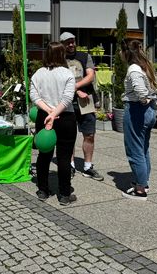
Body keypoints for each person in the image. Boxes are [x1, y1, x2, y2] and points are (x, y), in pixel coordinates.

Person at [30, 41, 77, 205]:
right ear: (62, 55)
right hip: (65, 117)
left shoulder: (38, 73)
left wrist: (49, 112)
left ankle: (43, 189)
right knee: (64, 157)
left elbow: (34, 96)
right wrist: (55, 113)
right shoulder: (68, 74)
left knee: (44, 155)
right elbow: (67, 99)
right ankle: (64, 194)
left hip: (44, 116)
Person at [60, 32, 103, 182]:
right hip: (67, 102)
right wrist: (76, 91)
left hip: (87, 100)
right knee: (69, 136)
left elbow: (90, 75)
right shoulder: (59, 59)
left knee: (89, 134)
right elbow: (59, 80)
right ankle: (70, 165)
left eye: (72, 41)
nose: (71, 44)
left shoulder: (85, 57)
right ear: (62, 44)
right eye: (67, 42)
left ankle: (87, 167)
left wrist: (76, 86)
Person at [121, 39, 157, 201]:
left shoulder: (133, 69)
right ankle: (142, 182)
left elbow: (141, 91)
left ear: (126, 52)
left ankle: (140, 189)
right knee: (143, 149)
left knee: (135, 151)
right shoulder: (144, 66)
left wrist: (144, 99)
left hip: (137, 110)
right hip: (148, 111)